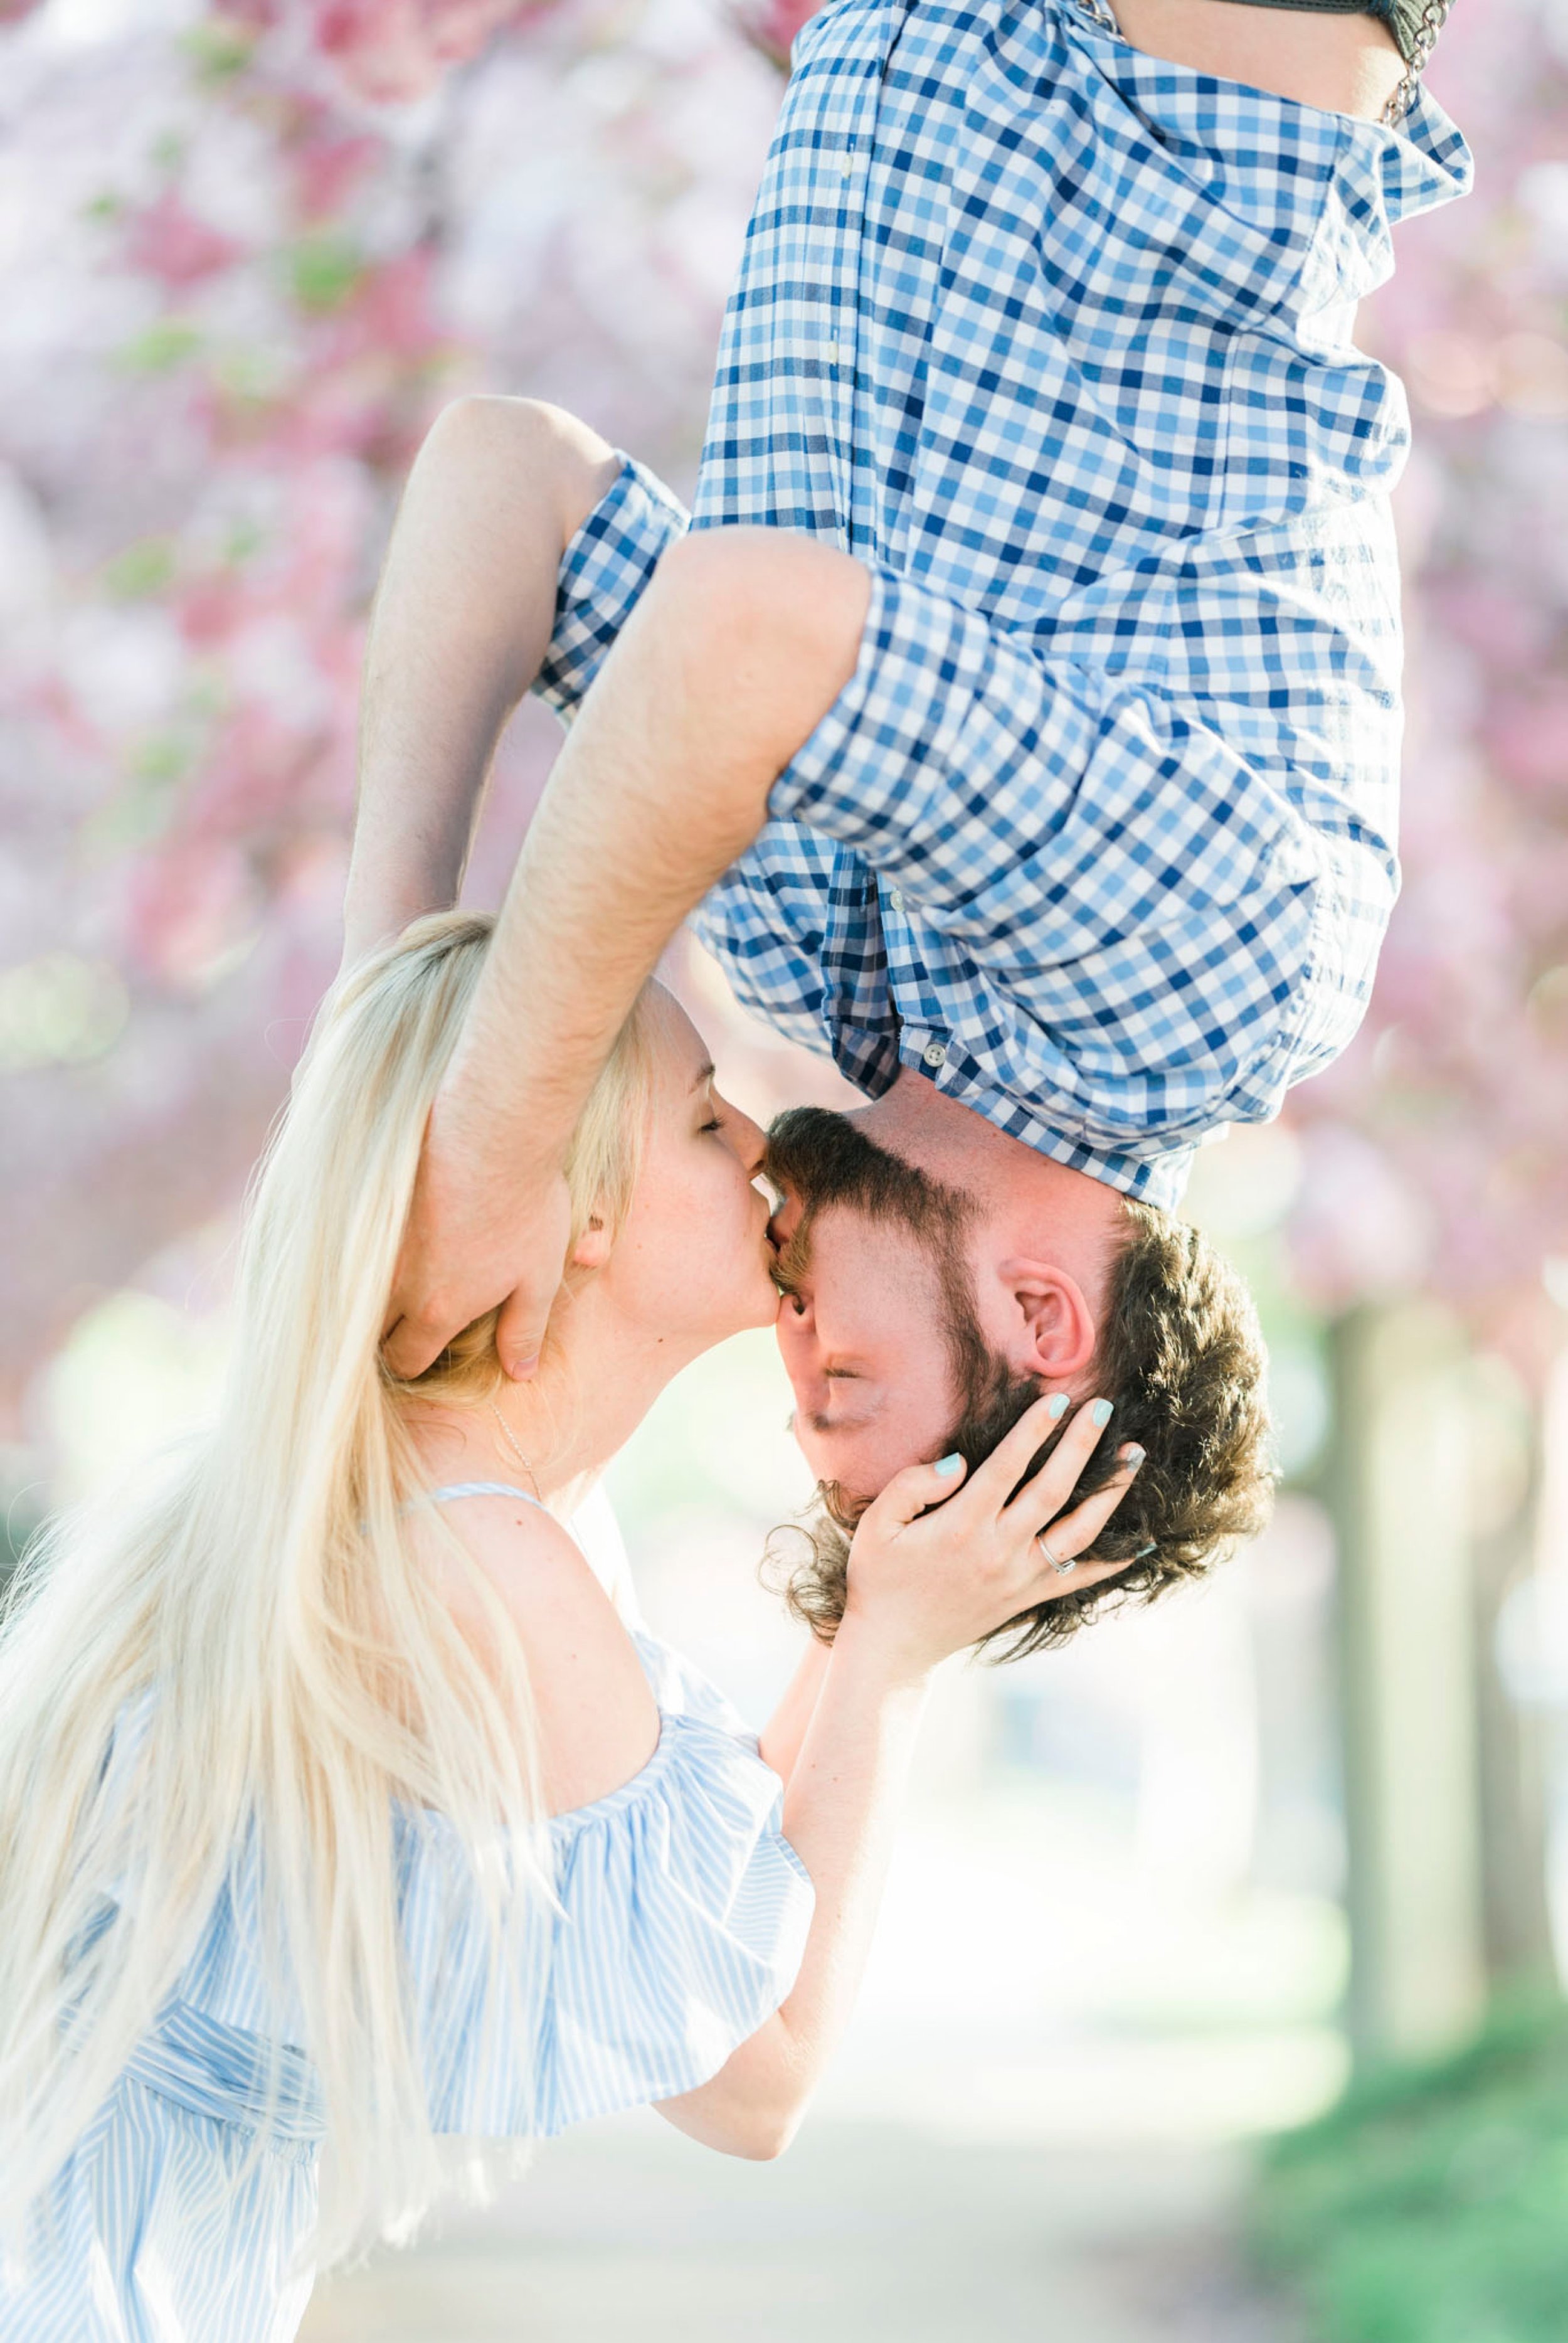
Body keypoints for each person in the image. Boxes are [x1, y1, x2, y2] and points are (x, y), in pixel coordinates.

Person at [341, 0, 1468, 1603]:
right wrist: (491, 1138)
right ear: (1042, 1323)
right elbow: (739, 632)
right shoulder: (1201, 1006)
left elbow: (502, 484)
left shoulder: (818, 975)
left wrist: (375, 1066)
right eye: (844, 1393)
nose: (785, 1327)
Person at [0, 912, 1137, 2343]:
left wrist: (873, 1611)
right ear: (577, 1201)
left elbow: (723, 1887)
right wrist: (891, 1660)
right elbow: (755, 2076)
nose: (760, 1143)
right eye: (699, 1115)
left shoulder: (452, 1505)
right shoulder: (478, 1554)